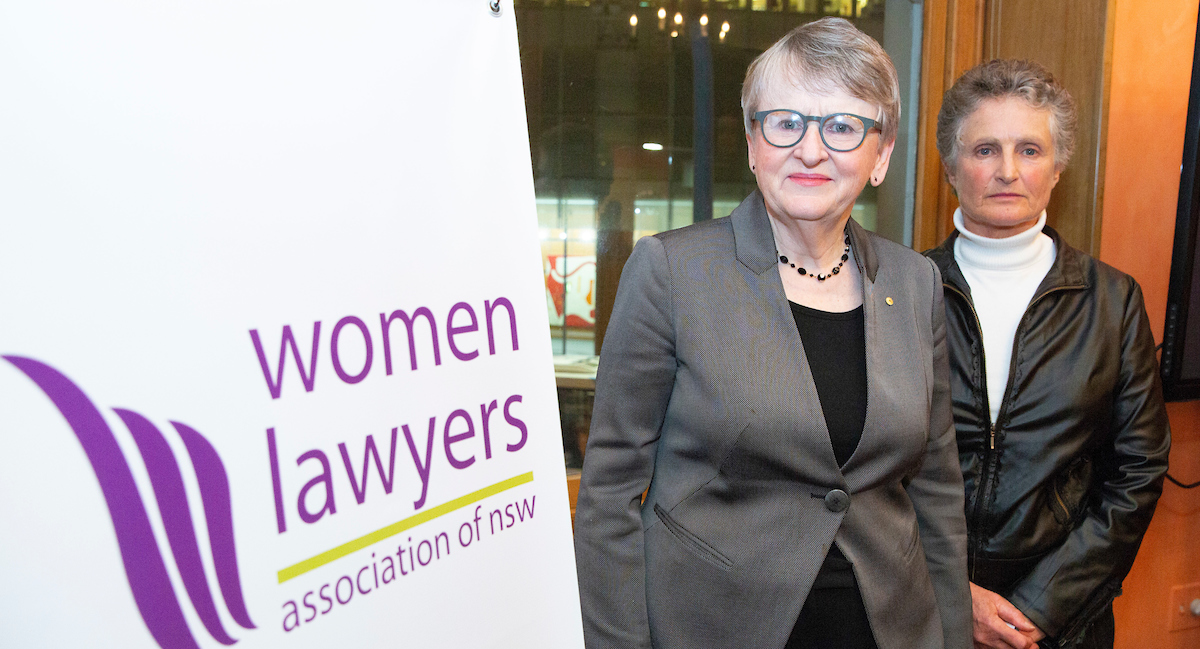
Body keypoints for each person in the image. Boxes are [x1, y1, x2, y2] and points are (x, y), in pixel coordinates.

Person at [573, 17, 971, 649]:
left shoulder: (915, 281)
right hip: (713, 627)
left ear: (881, 154)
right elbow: (609, 495)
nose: (811, 151)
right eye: (786, 122)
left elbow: (937, 492)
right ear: (753, 143)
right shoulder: (672, 271)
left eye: (843, 126)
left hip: (889, 628)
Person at [926, 59, 1171, 649]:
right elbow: (870, 472)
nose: (1008, 170)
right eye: (985, 149)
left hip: (1061, 623)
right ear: (950, 167)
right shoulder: (899, 290)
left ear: (1058, 168)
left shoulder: (1112, 300)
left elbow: (1137, 471)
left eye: (1030, 150)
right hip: (923, 608)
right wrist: (952, 592)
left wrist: (1041, 605)